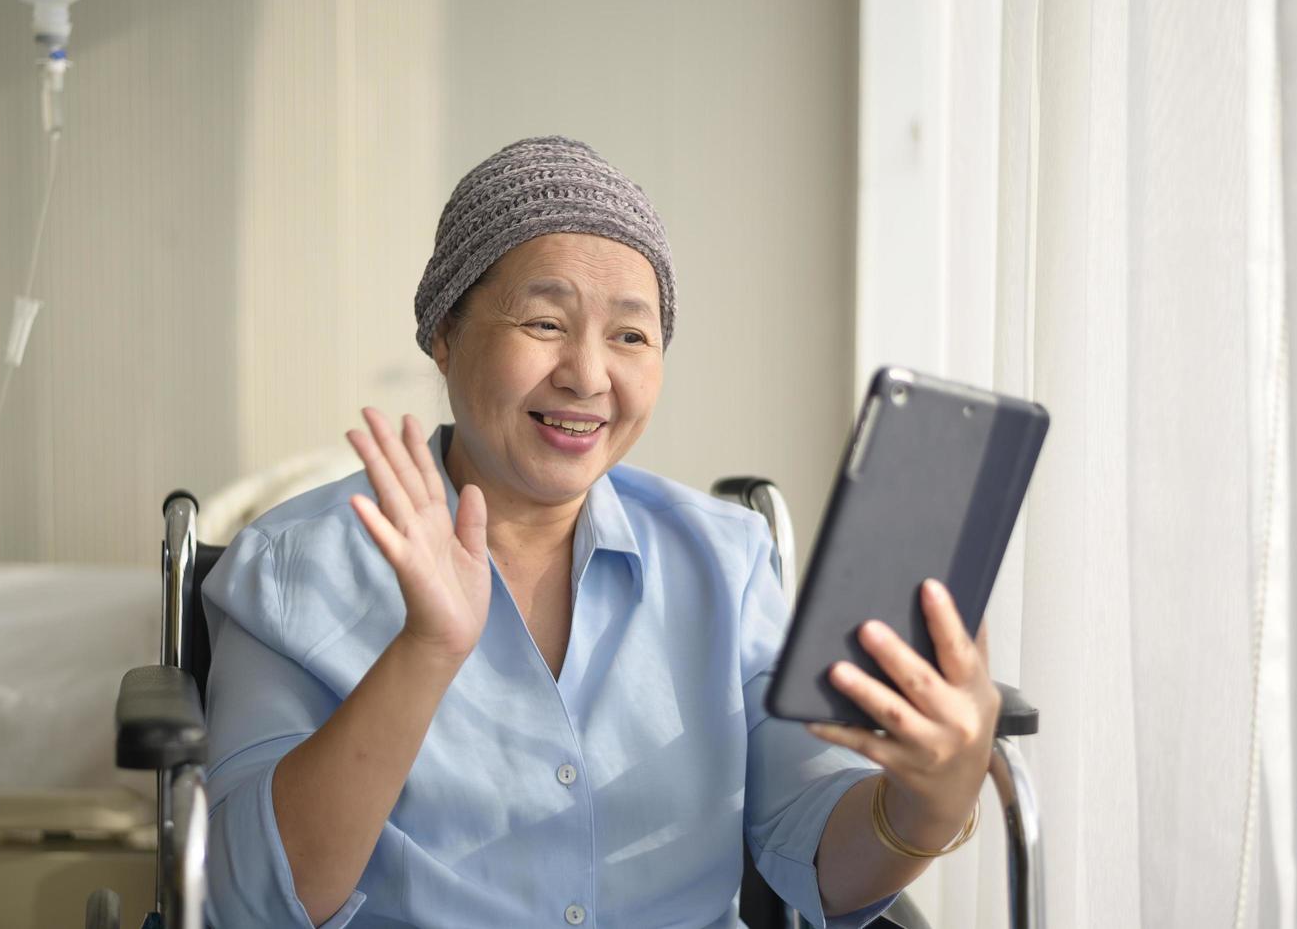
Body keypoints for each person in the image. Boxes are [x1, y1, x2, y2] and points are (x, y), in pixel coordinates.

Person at [201, 136, 1002, 928]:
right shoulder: (290, 567)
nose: (587, 376)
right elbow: (253, 900)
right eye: (545, 323)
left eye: (629, 336)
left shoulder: (725, 562)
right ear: (444, 333)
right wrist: (425, 652)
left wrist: (930, 801)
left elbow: (817, 852)